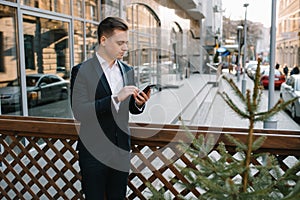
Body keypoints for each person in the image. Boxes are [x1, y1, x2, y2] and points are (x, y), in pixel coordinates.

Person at [70, 17, 150, 199]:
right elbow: (80, 111)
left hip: (121, 150)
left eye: (126, 43)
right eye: (120, 43)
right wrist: (115, 98)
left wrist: (138, 103)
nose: (125, 48)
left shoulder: (127, 70)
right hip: (93, 152)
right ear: (103, 41)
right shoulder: (81, 70)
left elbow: (129, 108)